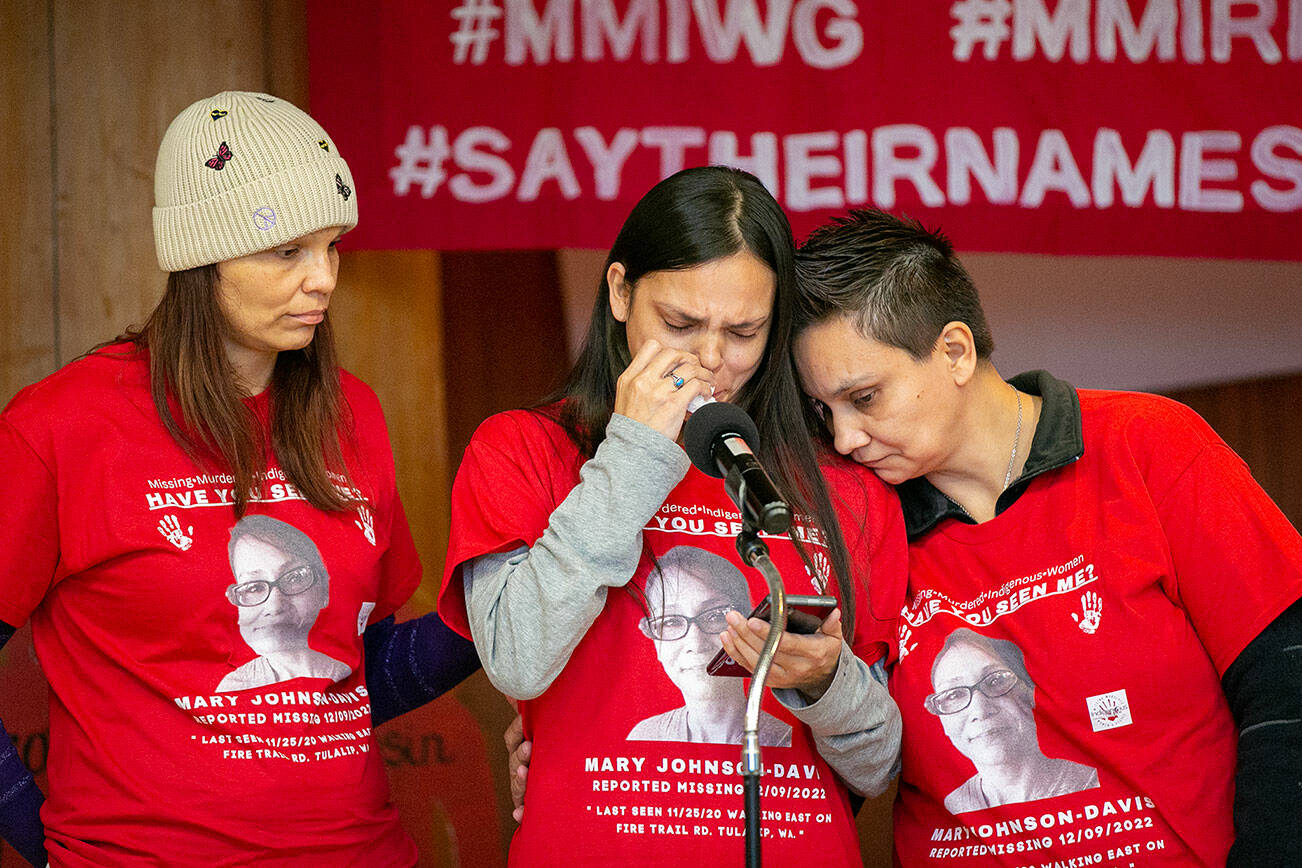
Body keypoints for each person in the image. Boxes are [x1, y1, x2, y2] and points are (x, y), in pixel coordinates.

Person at [0, 91, 480, 866]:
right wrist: (45, 842)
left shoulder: (351, 411)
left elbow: (364, 679)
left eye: (332, 246)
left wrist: (513, 605)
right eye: (287, 251)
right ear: (202, 255)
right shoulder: (59, 427)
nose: (323, 278)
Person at [790, 208, 1302, 866]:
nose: (844, 438)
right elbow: (857, 763)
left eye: (863, 398)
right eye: (823, 411)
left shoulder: (1148, 445)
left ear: (954, 351)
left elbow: (1286, 685)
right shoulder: (858, 526)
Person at [438, 166, 905, 865]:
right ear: (621, 293)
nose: (711, 359)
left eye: (744, 331)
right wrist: (632, 459)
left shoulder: (845, 486)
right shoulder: (524, 449)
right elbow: (518, 662)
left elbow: (880, 768)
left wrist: (825, 681)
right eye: (681, 324)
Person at [627, 545, 791, 746]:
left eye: (714, 616)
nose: (695, 643)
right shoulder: (645, 737)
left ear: (747, 622)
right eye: (670, 622)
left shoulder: (786, 740)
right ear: (654, 641)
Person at [925, 628, 1097, 812]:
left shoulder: (1091, 784)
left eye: (996, 680)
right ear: (943, 723)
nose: (980, 710)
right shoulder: (951, 807)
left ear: (1031, 692)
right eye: (953, 695)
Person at [218, 515, 352, 692]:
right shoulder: (234, 687)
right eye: (253, 588)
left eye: (294, 578)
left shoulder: (341, 673)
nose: (275, 607)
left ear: (324, 588)